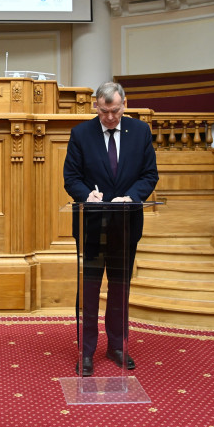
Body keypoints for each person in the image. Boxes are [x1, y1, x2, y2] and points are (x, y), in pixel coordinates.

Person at [63, 82, 159, 376]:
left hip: (126, 224)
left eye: (115, 111)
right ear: (96, 106)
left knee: (120, 288)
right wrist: (85, 195)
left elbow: (149, 174)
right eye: (104, 112)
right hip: (92, 225)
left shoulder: (140, 132)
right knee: (90, 290)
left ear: (124, 105)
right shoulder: (81, 133)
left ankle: (117, 345)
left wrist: (132, 196)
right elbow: (71, 177)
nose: (110, 117)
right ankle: (87, 351)